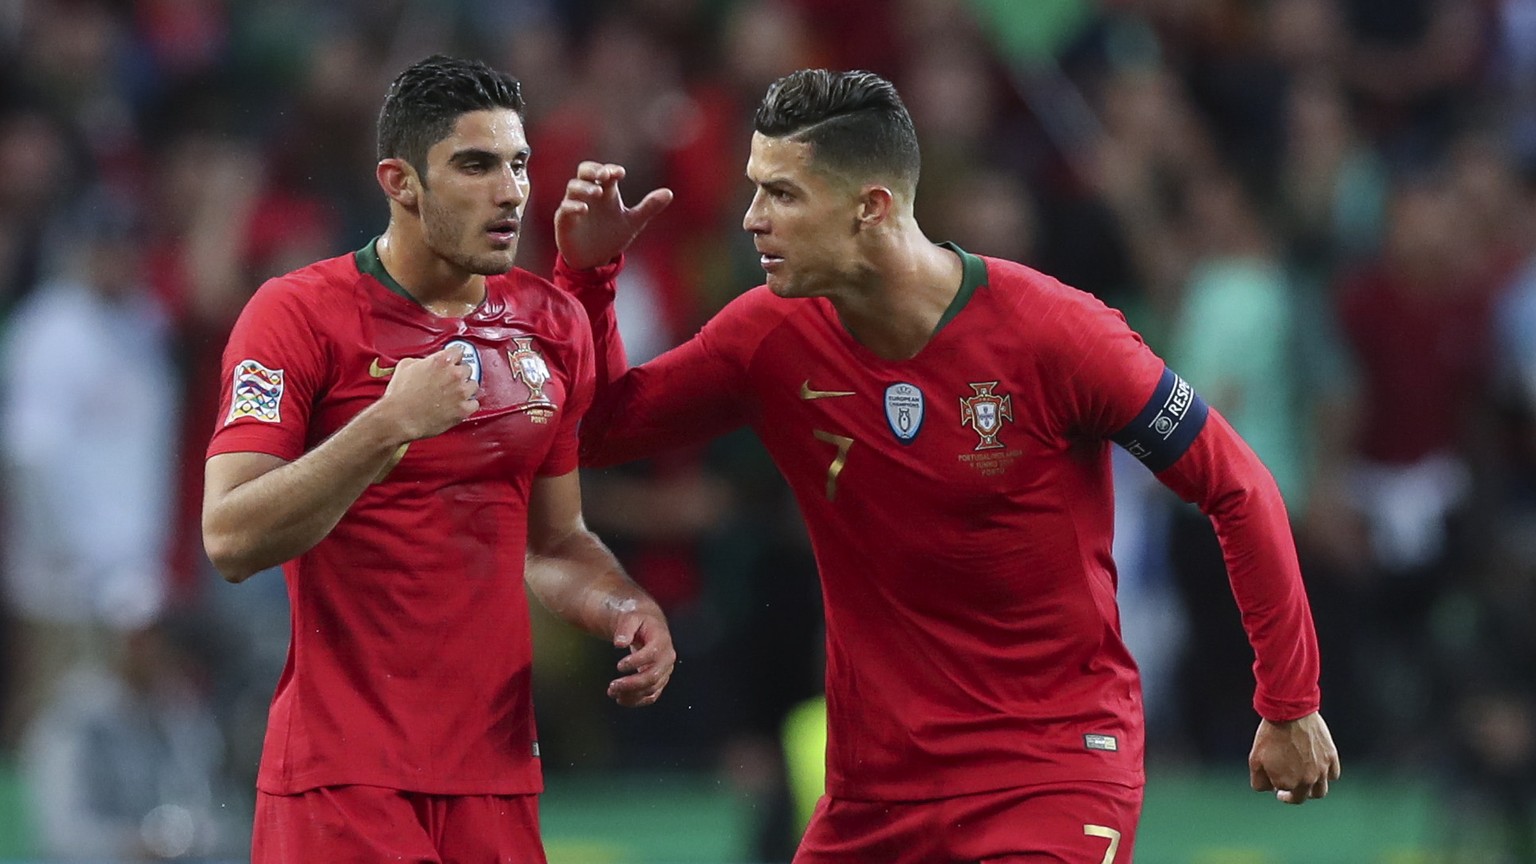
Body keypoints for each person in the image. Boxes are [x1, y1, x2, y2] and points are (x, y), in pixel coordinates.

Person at [553, 68, 1340, 863]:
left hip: (1051, 776)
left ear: (872, 207)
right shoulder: (768, 338)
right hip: (873, 800)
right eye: (756, 189)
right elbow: (596, 432)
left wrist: (1289, 701)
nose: (752, 218)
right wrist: (588, 282)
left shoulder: (1057, 334)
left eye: (783, 194)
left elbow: (1236, 484)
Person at [201, 54, 676, 863]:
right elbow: (230, 537)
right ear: (400, 181)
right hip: (344, 778)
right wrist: (387, 426)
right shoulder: (297, 315)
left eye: (519, 164)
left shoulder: (548, 322)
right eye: (476, 164)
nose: (511, 191)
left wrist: (626, 607)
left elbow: (556, 543)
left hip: (495, 777)